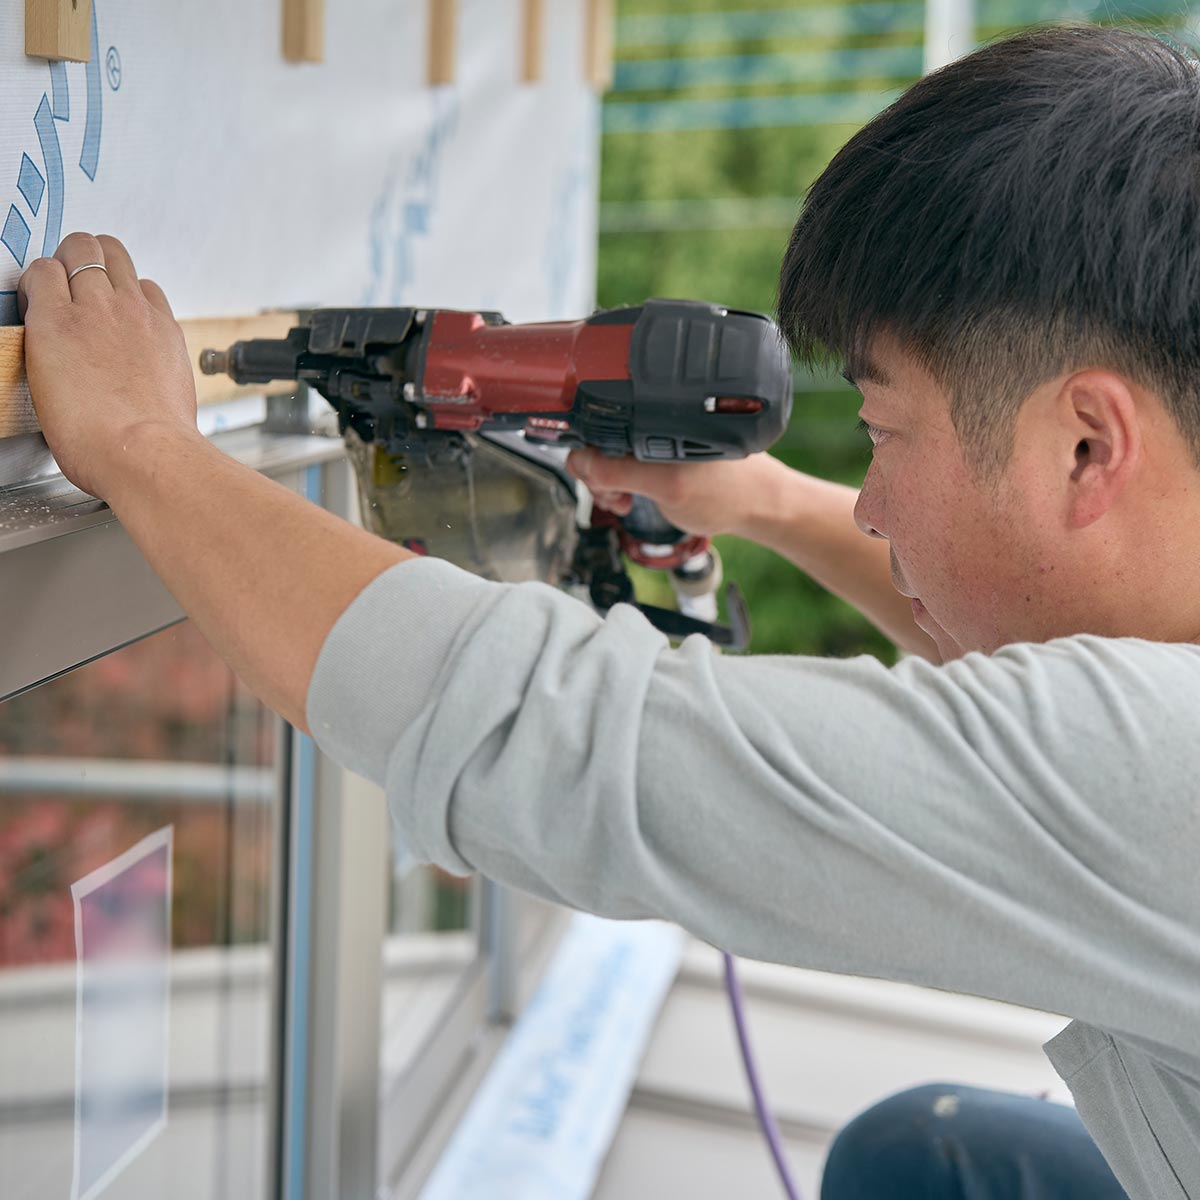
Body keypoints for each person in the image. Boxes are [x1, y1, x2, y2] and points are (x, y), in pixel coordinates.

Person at [14, 23, 1199, 1200]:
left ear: (1089, 444)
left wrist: (147, 446)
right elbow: (1028, 618)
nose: (874, 506)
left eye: (885, 436)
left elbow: (567, 745)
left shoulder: (1162, 774)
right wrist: (768, 505)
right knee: (928, 1154)